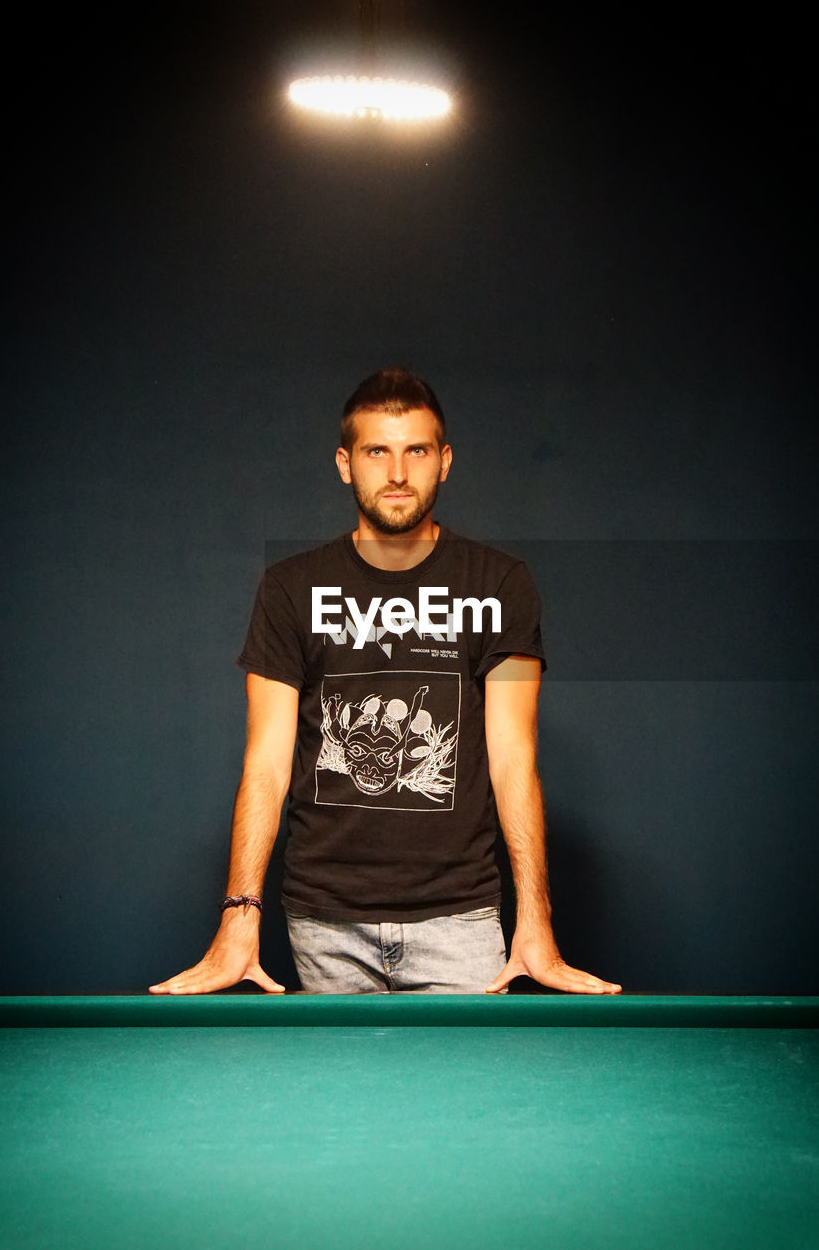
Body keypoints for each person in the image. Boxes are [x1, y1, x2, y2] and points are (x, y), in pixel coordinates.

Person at [150, 368, 620, 996]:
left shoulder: (499, 583)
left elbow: (514, 758)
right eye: (377, 451)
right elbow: (266, 760)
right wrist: (240, 918)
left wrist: (535, 923)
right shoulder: (291, 587)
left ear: (444, 461)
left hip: (462, 918)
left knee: (469, 1096)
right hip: (323, 921)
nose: (397, 473)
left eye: (416, 451)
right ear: (346, 463)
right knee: (344, 1096)